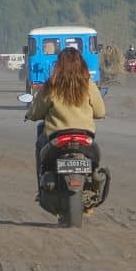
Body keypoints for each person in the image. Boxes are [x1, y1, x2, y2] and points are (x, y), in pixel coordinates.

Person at [26, 47, 106, 179]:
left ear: (58, 65)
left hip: (56, 137)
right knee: (94, 165)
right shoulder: (89, 85)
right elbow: (100, 112)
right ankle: (93, 177)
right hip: (85, 136)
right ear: (82, 65)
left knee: (40, 144)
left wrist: (29, 115)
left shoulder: (50, 86)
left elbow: (35, 114)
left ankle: (41, 180)